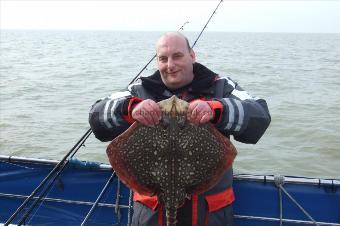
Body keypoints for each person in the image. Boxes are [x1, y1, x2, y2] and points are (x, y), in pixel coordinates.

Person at [89, 32, 271, 226]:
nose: (170, 65)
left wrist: (217, 109)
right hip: (151, 216)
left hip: (209, 217)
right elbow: (96, 118)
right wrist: (129, 108)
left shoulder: (221, 86)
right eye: (163, 58)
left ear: (192, 55)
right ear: (157, 61)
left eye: (177, 56)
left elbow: (260, 116)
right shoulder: (139, 90)